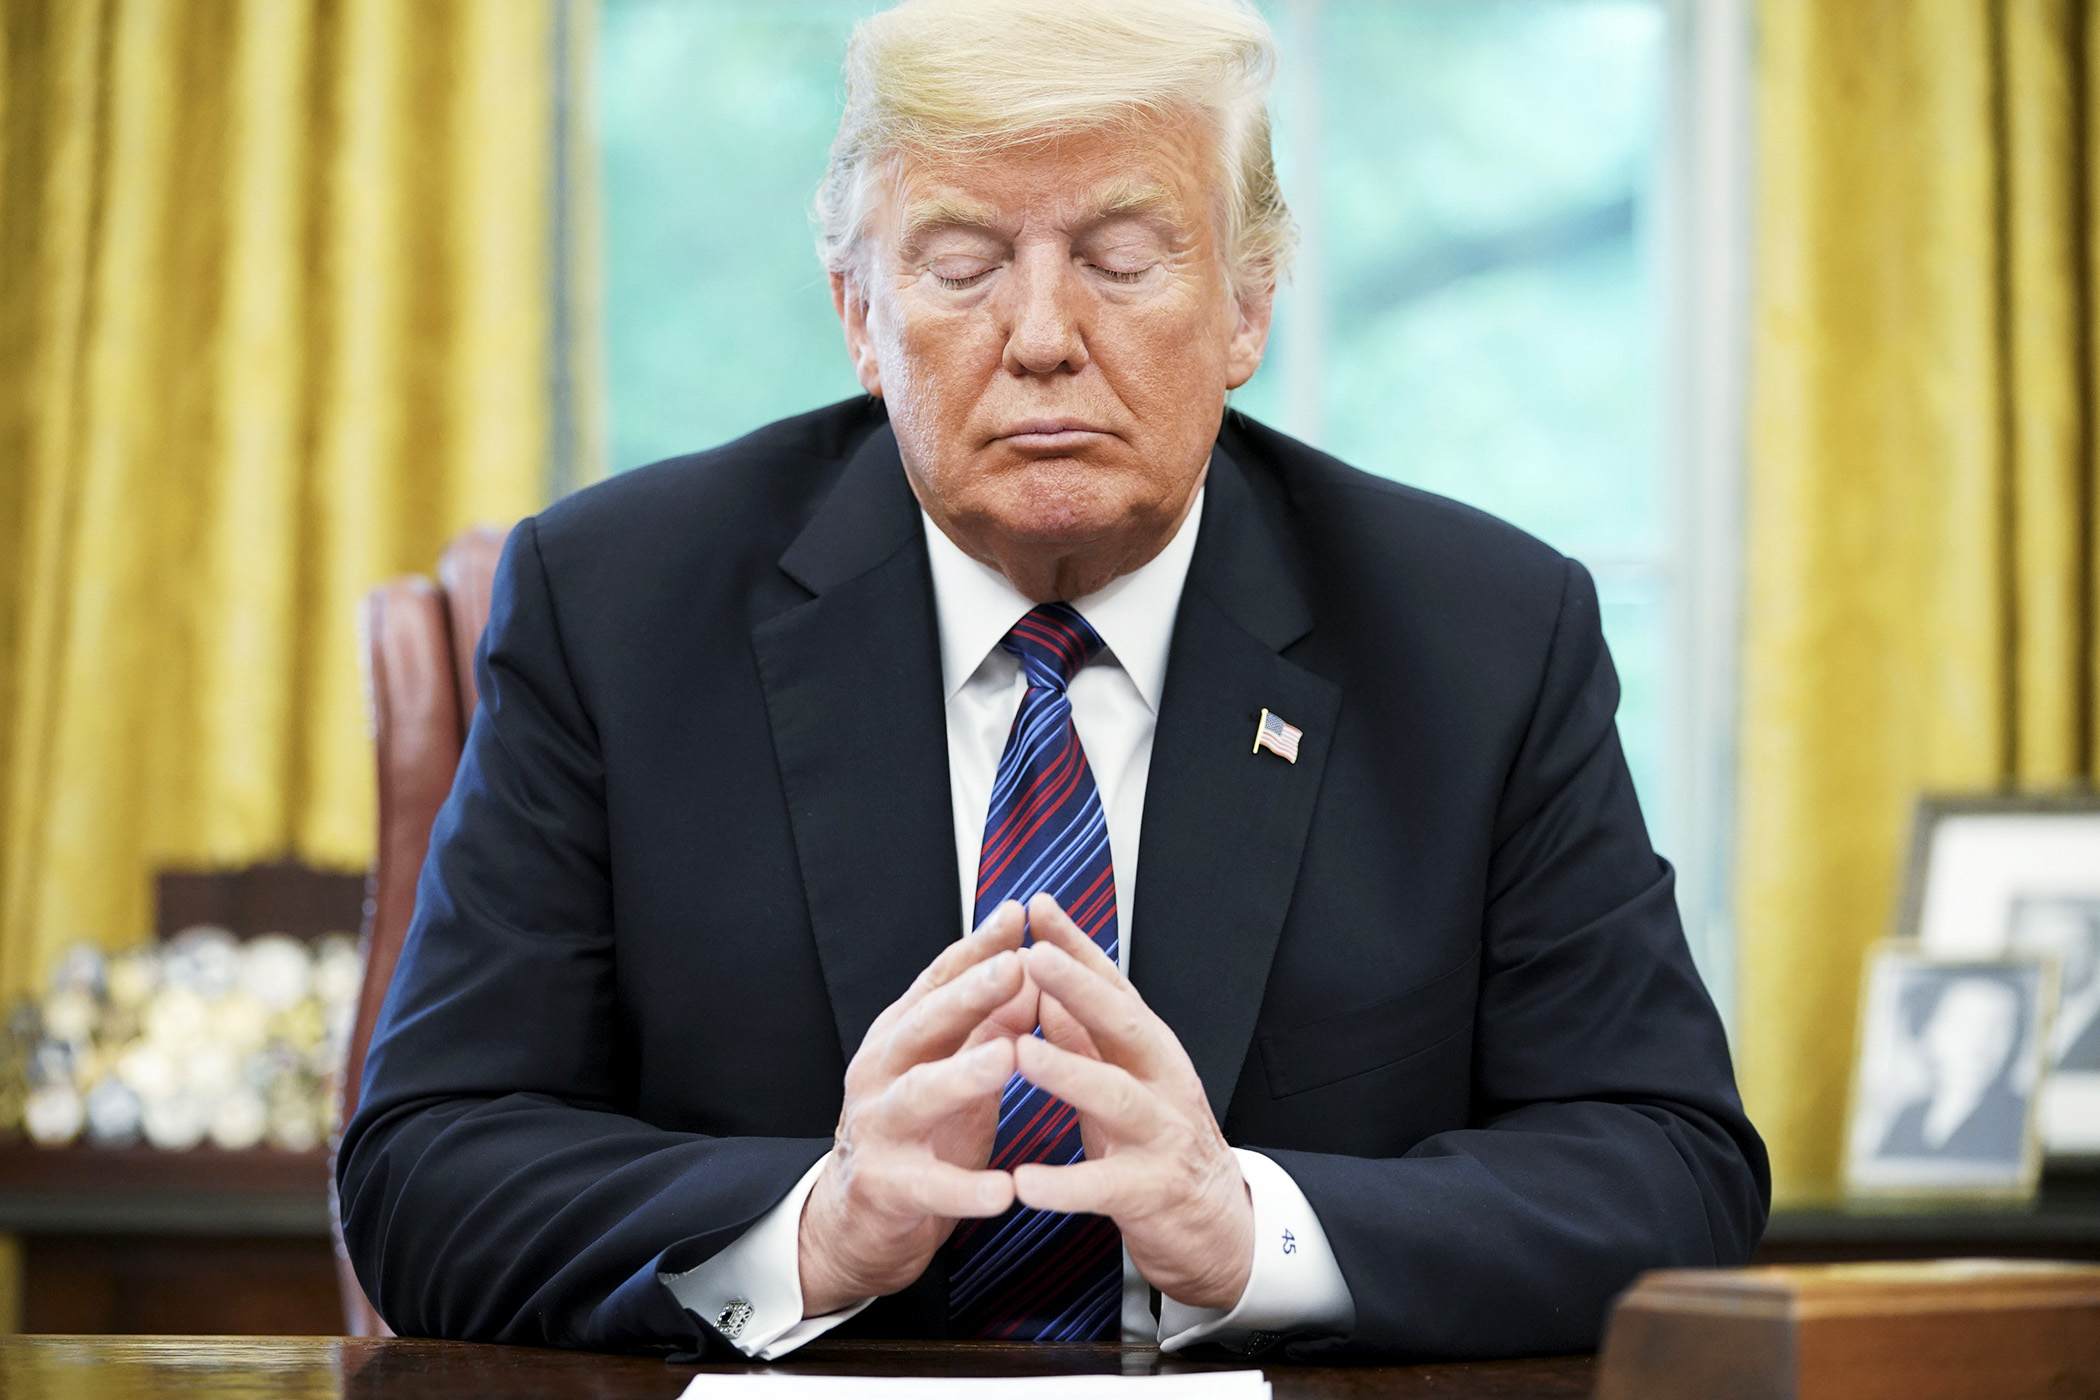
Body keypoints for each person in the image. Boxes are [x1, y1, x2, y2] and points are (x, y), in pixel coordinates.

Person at [337, 0, 1768, 1362]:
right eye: (961, 264)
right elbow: (426, 1167)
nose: (1040, 335)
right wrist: (820, 1226)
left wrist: (1249, 1228)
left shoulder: (1480, 639)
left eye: (1124, 257)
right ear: (859, 313)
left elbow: (1668, 1165)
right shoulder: (618, 610)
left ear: (1247, 304)